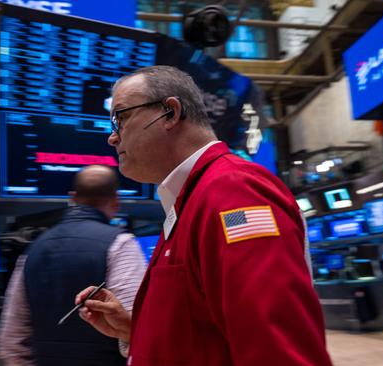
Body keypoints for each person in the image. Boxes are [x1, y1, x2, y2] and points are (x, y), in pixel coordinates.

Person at [75, 66, 333, 366]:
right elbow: (206, 335)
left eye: (121, 117)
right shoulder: (191, 199)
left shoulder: (235, 195)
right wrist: (136, 330)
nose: (112, 137)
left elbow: (277, 351)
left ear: (170, 113)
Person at [0, 165, 147, 366]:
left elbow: (11, 342)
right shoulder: (122, 244)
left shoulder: (33, 250)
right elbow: (136, 329)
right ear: (116, 201)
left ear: (72, 198)